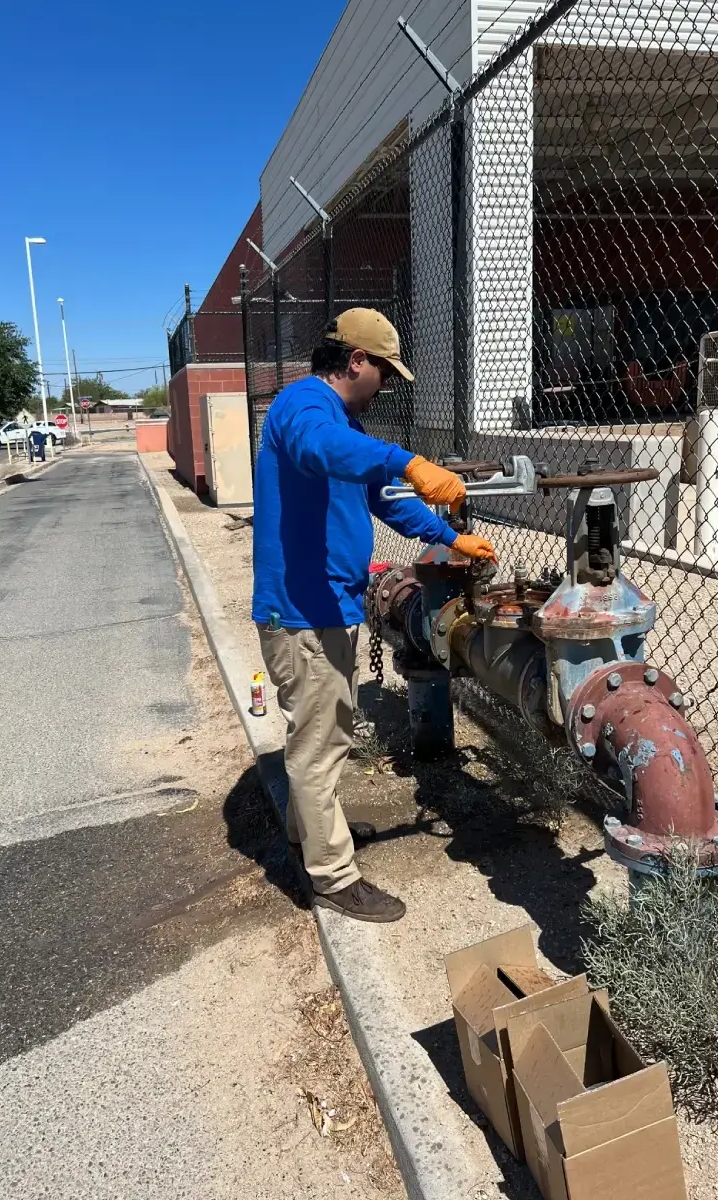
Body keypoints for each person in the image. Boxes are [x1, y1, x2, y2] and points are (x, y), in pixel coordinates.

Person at [252, 309, 495, 922]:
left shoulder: (343, 423)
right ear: (356, 360)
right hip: (302, 611)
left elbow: (386, 499)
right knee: (321, 742)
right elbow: (324, 450)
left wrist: (448, 537)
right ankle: (332, 876)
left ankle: (306, 832)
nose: (386, 386)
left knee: (315, 733)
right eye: (385, 373)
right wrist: (404, 459)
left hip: (322, 604)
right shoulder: (303, 408)